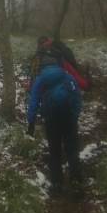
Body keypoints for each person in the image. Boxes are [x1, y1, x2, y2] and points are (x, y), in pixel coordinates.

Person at [27, 57, 83, 192]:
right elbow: (77, 97)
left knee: (54, 150)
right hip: (68, 117)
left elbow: (34, 101)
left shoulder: (40, 79)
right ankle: (76, 181)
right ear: (57, 65)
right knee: (72, 148)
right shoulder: (67, 77)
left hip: (51, 118)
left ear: (43, 67)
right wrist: (74, 115)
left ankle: (57, 183)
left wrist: (31, 122)